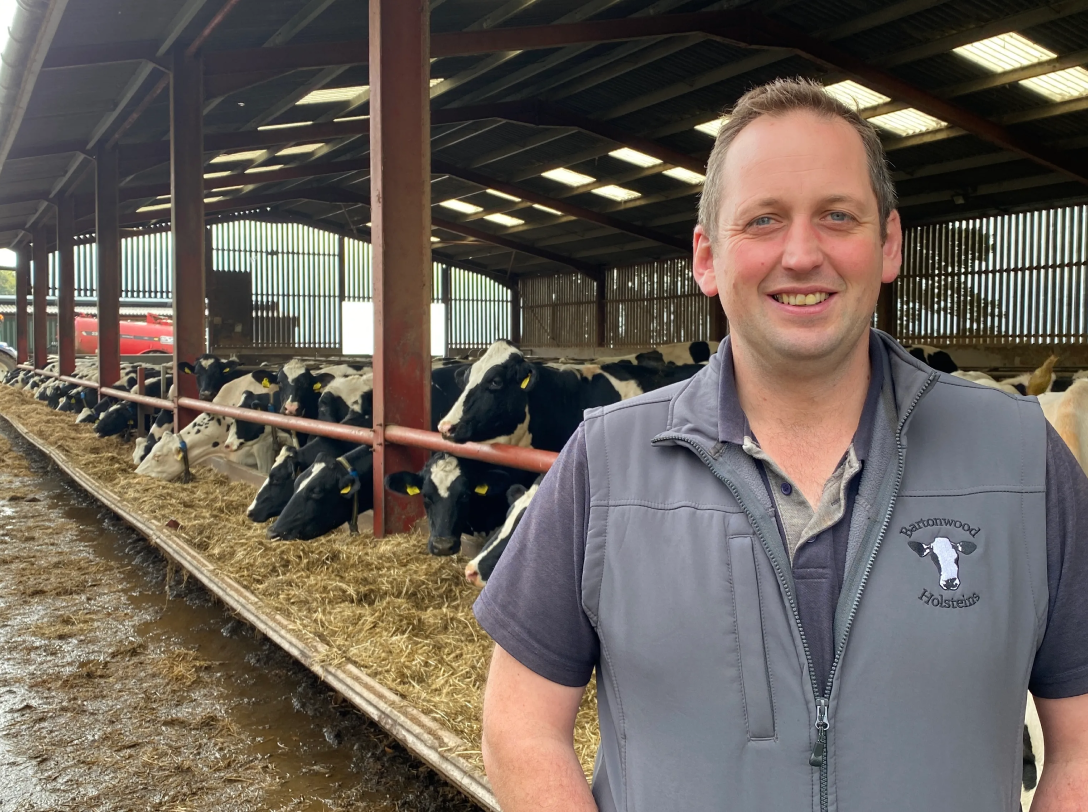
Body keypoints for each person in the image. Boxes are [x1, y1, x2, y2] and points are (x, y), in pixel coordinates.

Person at [473, 77, 1088, 812]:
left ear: (887, 244)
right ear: (706, 257)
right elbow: (520, 728)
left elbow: (1081, 739)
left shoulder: (1021, 456)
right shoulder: (605, 464)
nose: (801, 254)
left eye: (837, 216)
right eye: (763, 220)